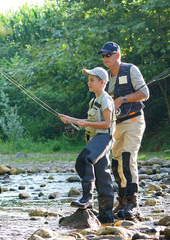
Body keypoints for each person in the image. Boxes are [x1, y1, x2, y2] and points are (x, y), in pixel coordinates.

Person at [98, 41, 150, 220]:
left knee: (128, 158)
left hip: (133, 121)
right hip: (114, 125)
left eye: (108, 55)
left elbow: (145, 93)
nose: (105, 58)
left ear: (117, 55)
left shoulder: (130, 70)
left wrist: (123, 99)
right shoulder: (104, 76)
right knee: (116, 162)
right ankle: (122, 200)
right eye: (103, 55)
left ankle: (132, 201)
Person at [59, 67, 116, 223]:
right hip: (95, 138)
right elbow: (87, 122)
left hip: (104, 137)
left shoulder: (106, 99)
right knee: (102, 175)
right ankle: (106, 214)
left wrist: (86, 123)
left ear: (102, 82)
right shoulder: (94, 101)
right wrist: (69, 118)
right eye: (88, 79)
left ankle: (87, 199)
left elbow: (106, 123)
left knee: (84, 160)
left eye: (92, 80)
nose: (88, 82)